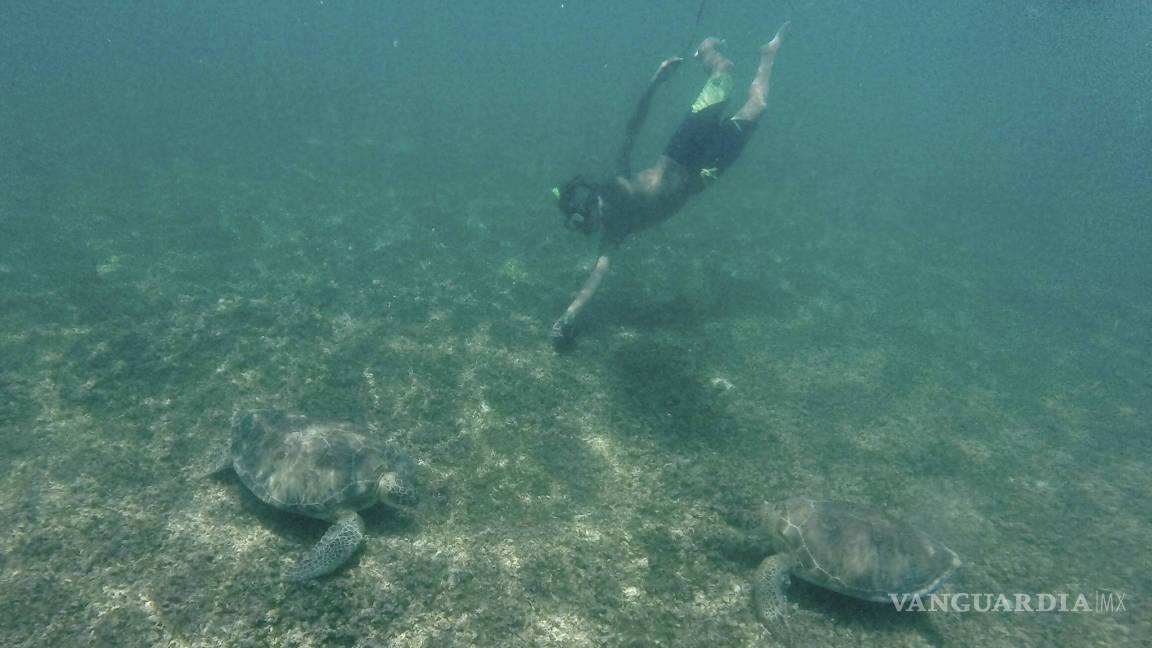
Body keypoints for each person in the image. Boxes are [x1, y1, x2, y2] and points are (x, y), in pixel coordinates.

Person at [551, 23, 790, 350]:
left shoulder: (617, 182)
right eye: (586, 224)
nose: (594, 221)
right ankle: (768, 55)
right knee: (757, 106)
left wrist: (655, 82)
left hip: (681, 149)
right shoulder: (617, 230)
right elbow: (596, 276)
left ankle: (706, 50)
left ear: (591, 201)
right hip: (704, 174)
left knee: (724, 71)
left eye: (587, 215)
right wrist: (568, 317)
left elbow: (632, 127)